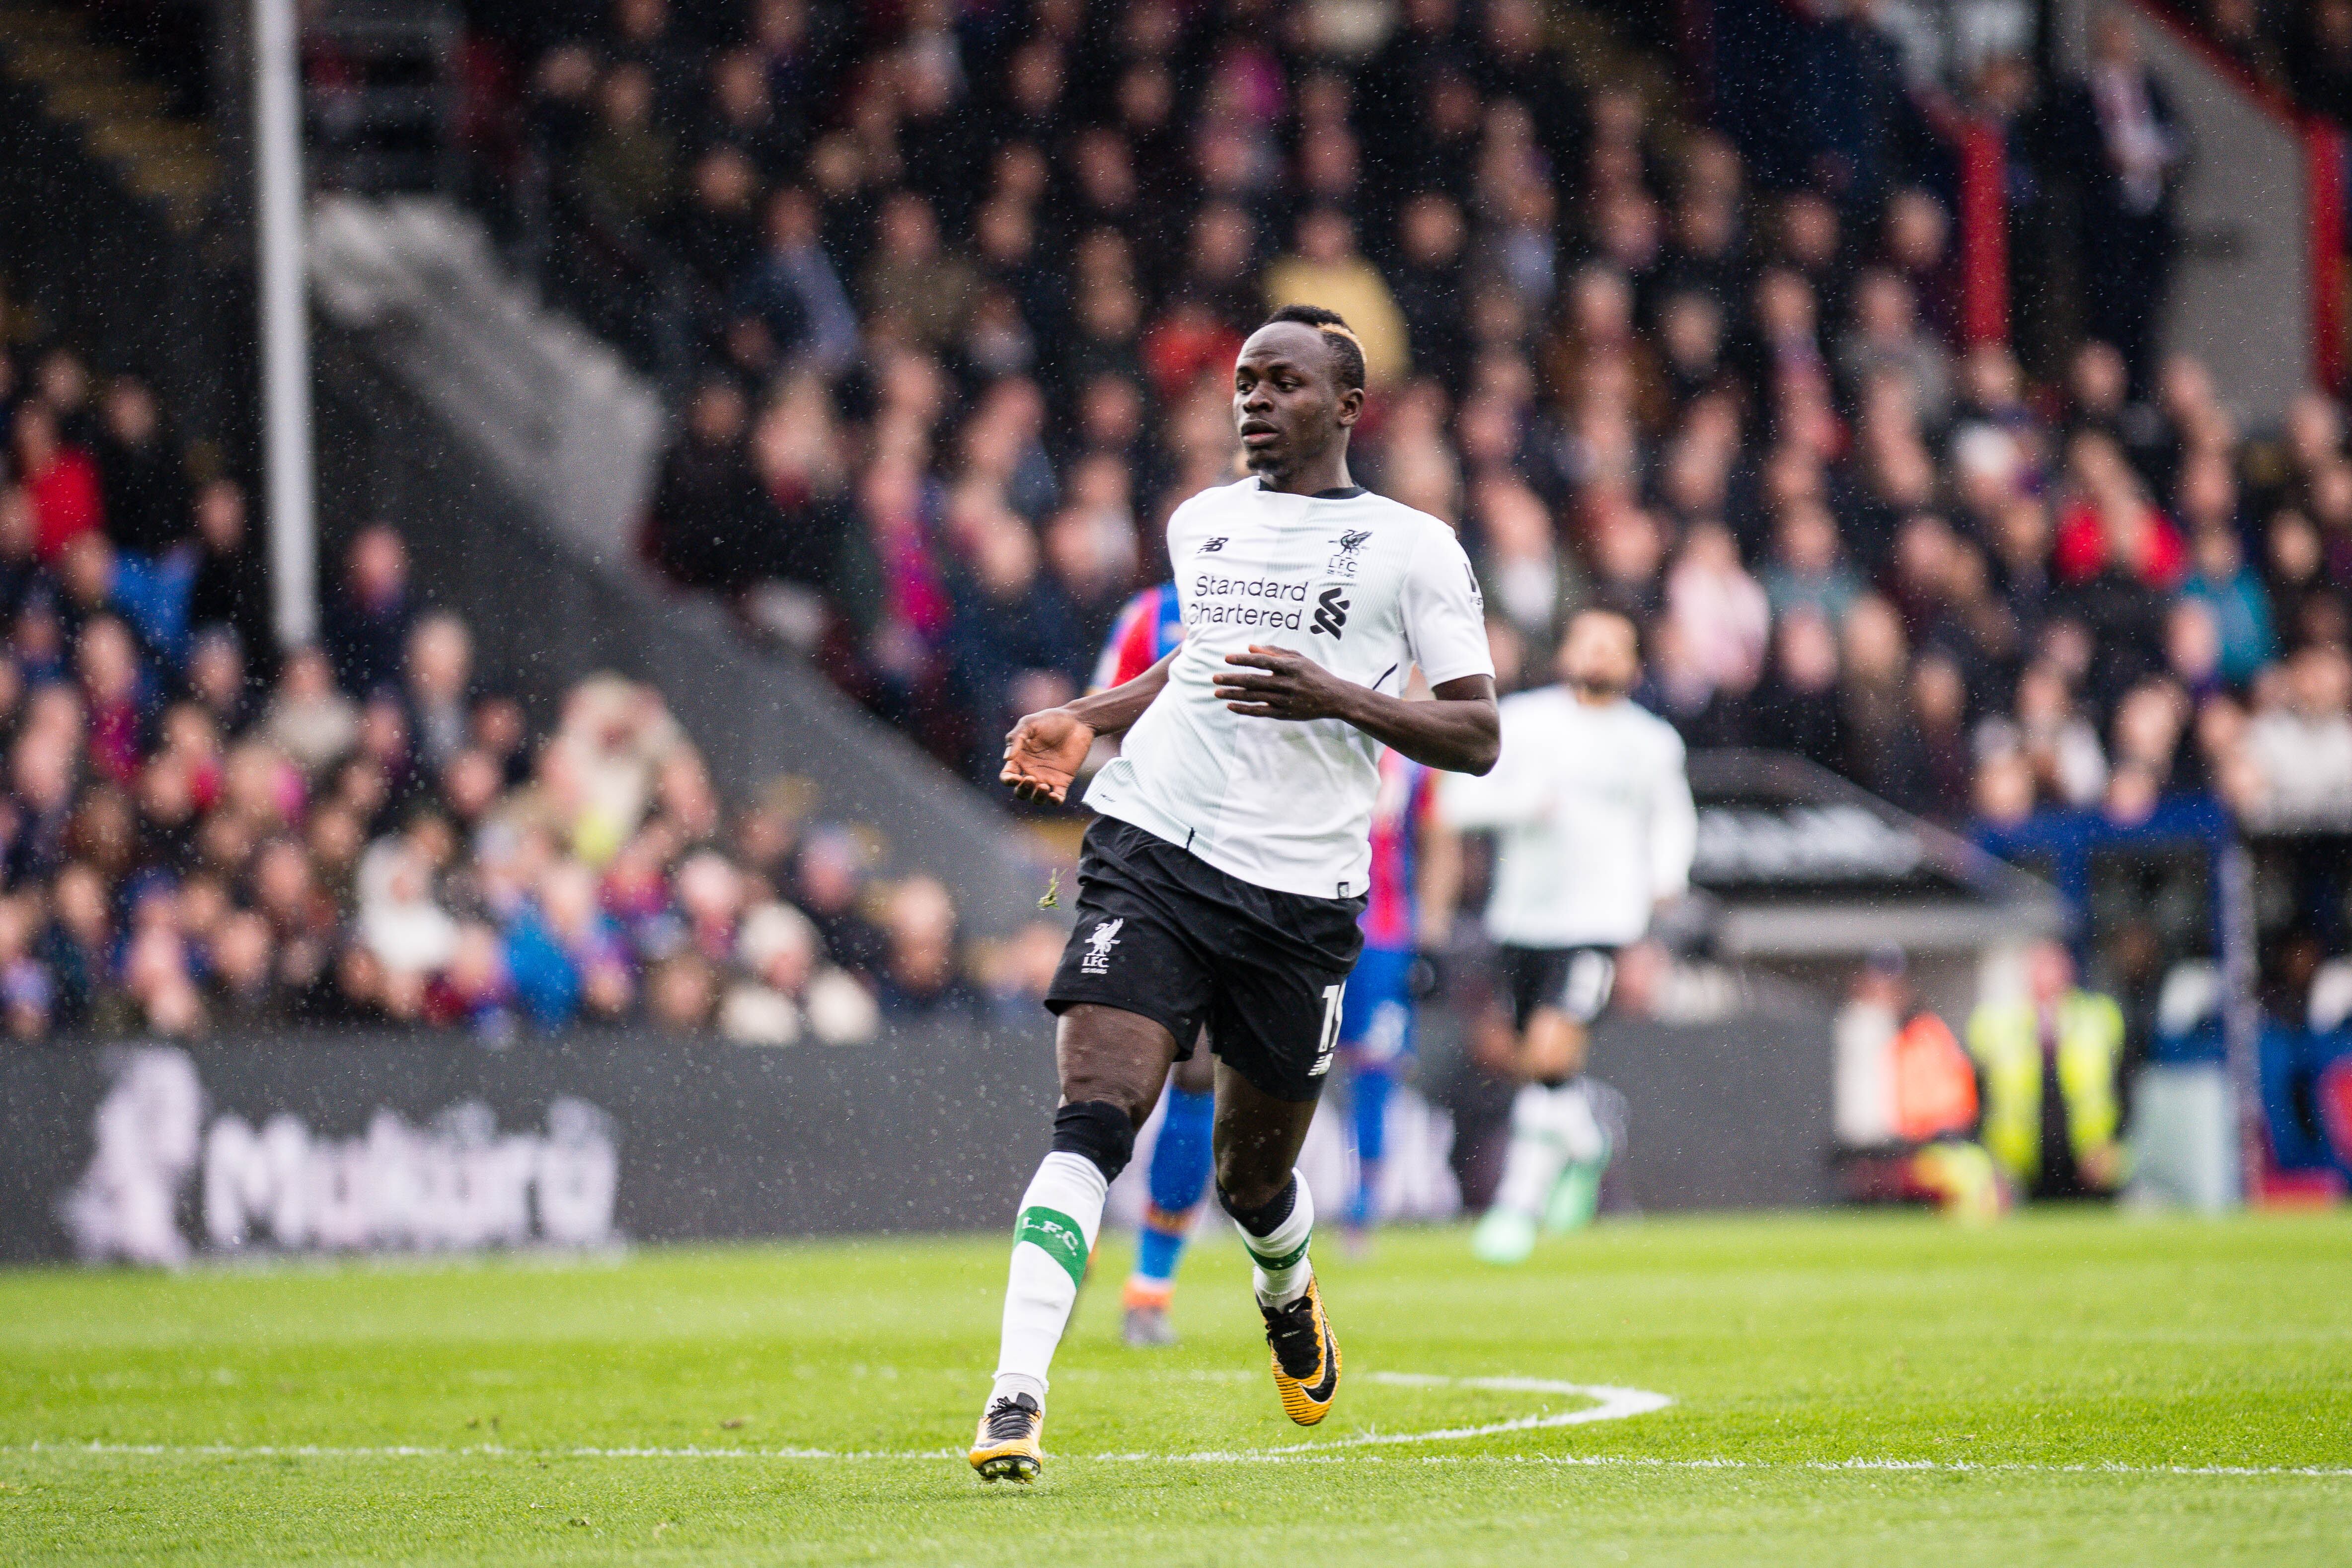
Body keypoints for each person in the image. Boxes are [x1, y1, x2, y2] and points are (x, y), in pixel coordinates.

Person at [972, 305, 1498, 1482]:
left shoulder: (1414, 548)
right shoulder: (1201, 522)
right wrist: (1085, 717)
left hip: (1301, 894)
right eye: (1245, 383)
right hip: (1151, 847)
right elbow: (1193, 662)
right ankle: (1014, 1396)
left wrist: (1342, 698)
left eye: (1284, 383)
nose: (1254, 400)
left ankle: (1287, 1288)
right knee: (1093, 1118)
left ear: (1348, 407)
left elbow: (1473, 733)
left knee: (1251, 1176)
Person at [1439, 607, 1696, 1266]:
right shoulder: (1523, 723)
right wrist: (1519, 803)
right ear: (1565, 652)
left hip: (1600, 922)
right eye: (1589, 642)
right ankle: (1582, 1134)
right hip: (1523, 921)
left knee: (1551, 1053)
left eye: (1614, 646)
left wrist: (1664, 878)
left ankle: (1515, 1209)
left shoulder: (1650, 742)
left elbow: (1672, 818)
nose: (1599, 655)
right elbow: (1456, 802)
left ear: (1634, 666)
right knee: (1534, 1061)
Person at [1089, 577, 1219, 1349]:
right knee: (1107, 1067)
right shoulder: (1149, 614)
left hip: (1244, 876)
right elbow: (1099, 715)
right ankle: (1076, 1237)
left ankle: (1150, 1287)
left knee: (1200, 1068)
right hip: (1144, 861)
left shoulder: (1311, 601)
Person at [1335, 736, 1456, 1245]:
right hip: (1311, 928)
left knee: (1376, 1065)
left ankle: (1363, 1203)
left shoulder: (1412, 760)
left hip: (1385, 935)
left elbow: (1438, 842)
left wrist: (1432, 933)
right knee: (1288, 1062)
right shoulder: (1322, 737)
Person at [1965, 939, 2129, 1200]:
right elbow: (1976, 1099)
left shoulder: (2099, 1016)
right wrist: (1988, 1161)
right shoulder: (1996, 1023)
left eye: (2053, 964)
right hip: (2020, 1167)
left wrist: (2113, 1144)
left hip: (2087, 1162)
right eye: (2039, 965)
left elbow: (2124, 1088)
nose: (2047, 974)